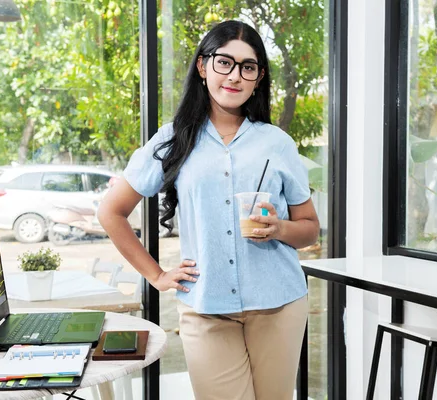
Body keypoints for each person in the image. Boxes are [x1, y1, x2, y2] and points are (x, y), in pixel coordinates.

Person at [98, 20, 320, 400]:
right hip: (206, 309)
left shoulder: (277, 143)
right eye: (224, 63)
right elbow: (111, 212)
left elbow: (310, 228)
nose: (234, 76)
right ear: (203, 67)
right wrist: (156, 275)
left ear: (258, 78)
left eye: (247, 67)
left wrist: (278, 229)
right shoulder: (173, 139)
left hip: (280, 306)